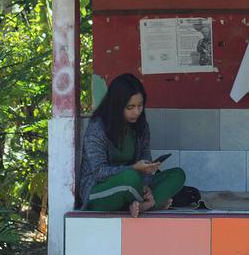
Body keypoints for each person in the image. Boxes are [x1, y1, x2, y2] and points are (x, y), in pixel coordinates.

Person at [78, 73, 187, 217]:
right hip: (100, 190)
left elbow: (145, 161)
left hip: (134, 186)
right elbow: (99, 172)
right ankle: (153, 203)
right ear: (116, 105)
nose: (136, 112)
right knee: (130, 177)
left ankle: (142, 204)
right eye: (130, 107)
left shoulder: (141, 126)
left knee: (177, 175)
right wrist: (133, 169)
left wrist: (146, 185)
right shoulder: (97, 128)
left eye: (140, 105)